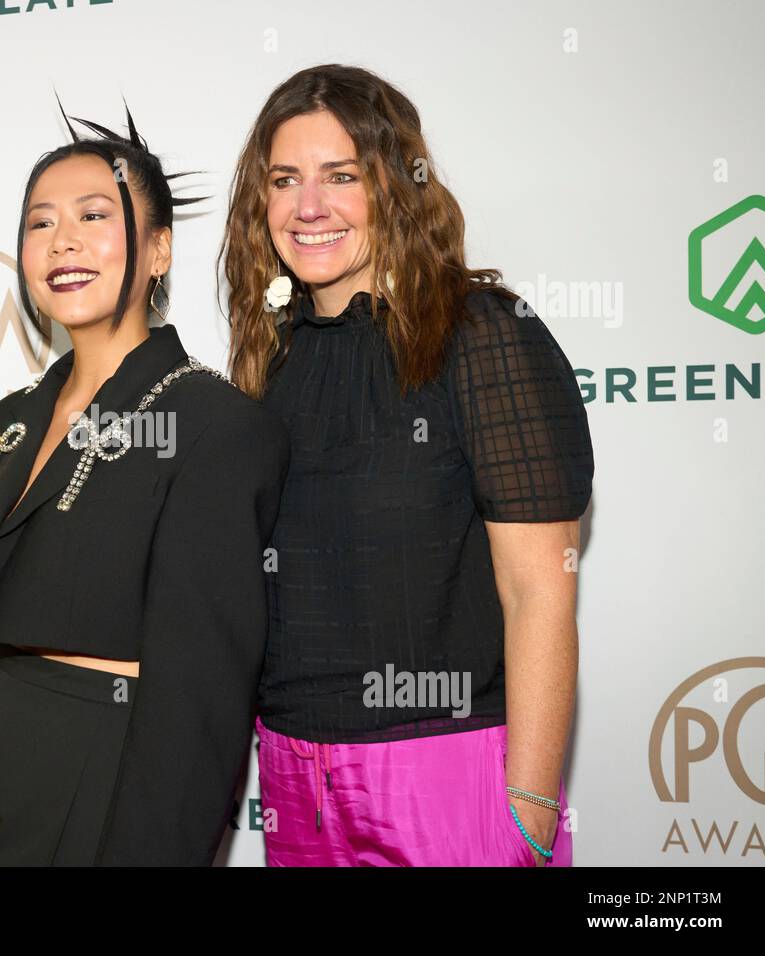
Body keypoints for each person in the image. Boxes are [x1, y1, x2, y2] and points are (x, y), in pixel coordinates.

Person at [220, 65, 593, 866]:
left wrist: (526, 812)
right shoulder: (266, 361)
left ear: (394, 185)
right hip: (293, 776)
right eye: (284, 180)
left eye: (340, 177)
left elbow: (539, 590)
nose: (307, 207)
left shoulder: (480, 335)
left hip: (446, 768)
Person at [0, 104, 291, 865]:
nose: (63, 241)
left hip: (114, 768)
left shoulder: (213, 423)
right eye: (40, 223)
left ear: (158, 250)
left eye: (94, 215)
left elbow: (201, 701)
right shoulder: (6, 421)